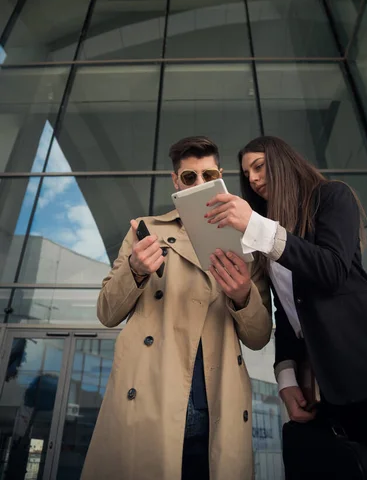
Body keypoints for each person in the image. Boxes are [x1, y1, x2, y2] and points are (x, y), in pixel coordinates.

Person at [205, 135, 367, 479]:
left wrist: (256, 226)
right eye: (246, 172)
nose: (251, 178)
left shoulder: (332, 196)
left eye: (259, 166)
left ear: (283, 161)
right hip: (328, 387)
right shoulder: (272, 235)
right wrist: (286, 378)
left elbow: (333, 270)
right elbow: (289, 313)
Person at [81, 136, 272, 480]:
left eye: (209, 176)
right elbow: (107, 313)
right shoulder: (146, 231)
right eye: (189, 177)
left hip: (216, 405)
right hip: (151, 403)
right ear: (175, 181)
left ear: (221, 177)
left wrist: (243, 295)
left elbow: (259, 336)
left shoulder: (247, 241)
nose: (200, 185)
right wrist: (136, 271)